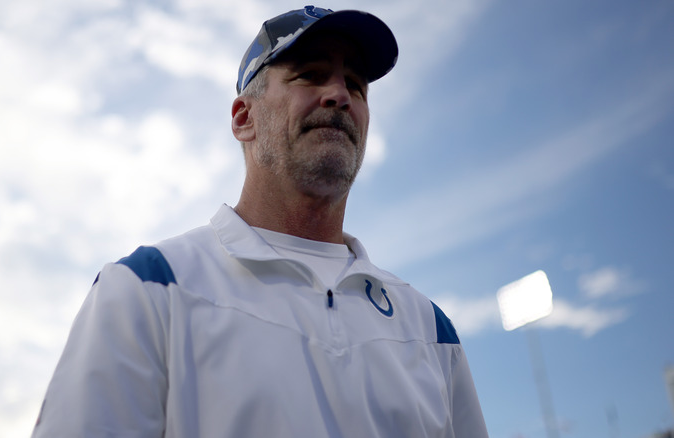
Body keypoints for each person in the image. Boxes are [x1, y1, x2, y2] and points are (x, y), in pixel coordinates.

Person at [32, 6, 488, 438]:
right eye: (310, 75)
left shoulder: (429, 330)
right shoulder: (149, 288)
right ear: (244, 118)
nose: (340, 96)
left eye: (356, 85)